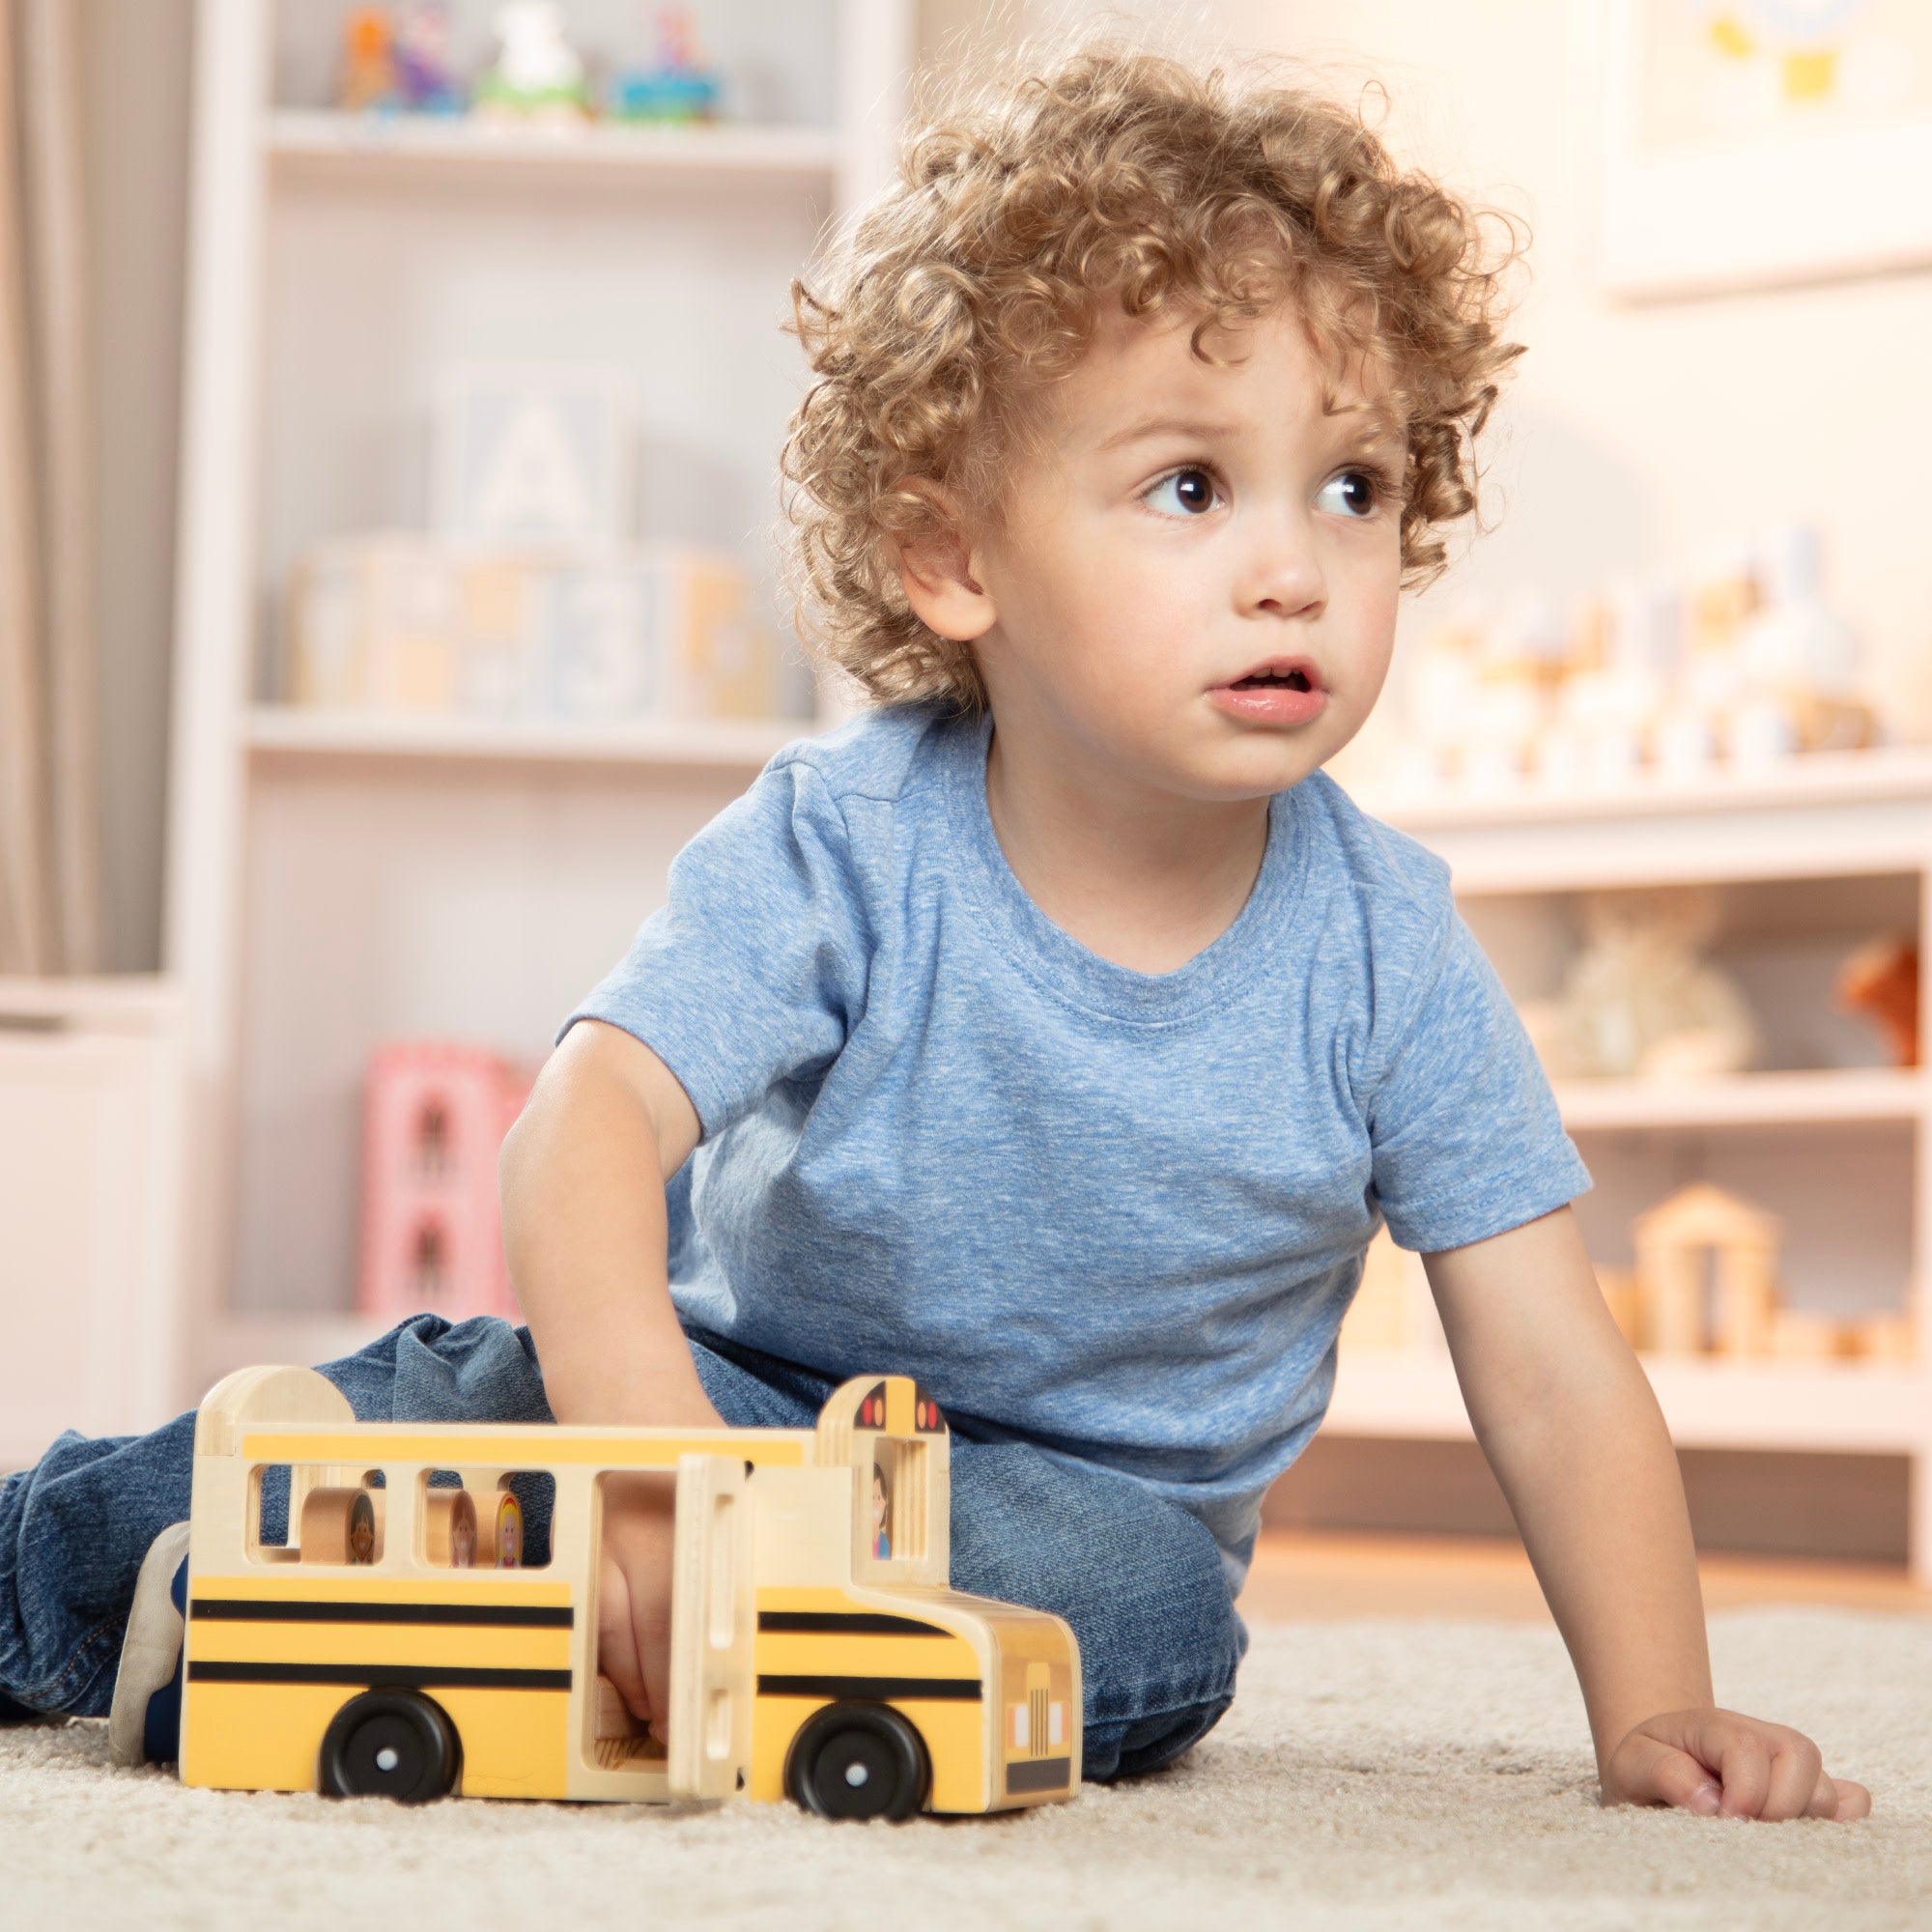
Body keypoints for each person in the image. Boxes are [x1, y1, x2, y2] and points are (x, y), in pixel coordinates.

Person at [0, 43, 1868, 1820]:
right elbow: (583, 1131)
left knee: (1135, 1615)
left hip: (1076, 1511)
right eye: (1191, 486)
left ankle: (569, 1645)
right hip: (747, 1392)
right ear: (953, 557)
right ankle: (102, 1588)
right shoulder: (849, 835)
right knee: (468, 1381)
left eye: (1354, 487)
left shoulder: (1389, 954)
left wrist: (1657, 1702)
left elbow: (1549, 1366)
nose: (1295, 561)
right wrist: (667, 1459)